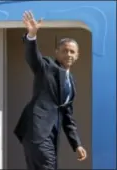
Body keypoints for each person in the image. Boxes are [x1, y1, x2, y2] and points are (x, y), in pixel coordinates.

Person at [14, 11, 87, 170]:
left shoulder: (71, 81)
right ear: (57, 52)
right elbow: (33, 57)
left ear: (77, 56)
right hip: (37, 131)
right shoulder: (47, 67)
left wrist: (77, 144)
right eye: (64, 50)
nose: (68, 54)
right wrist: (31, 36)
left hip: (51, 135)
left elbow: (67, 116)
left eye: (72, 51)